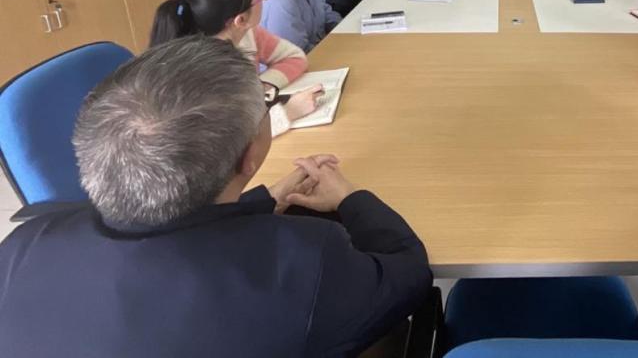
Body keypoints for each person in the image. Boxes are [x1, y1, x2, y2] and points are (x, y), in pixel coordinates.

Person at [0, 37, 432, 357]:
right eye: (267, 102)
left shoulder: (23, 244)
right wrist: (351, 198)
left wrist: (262, 200)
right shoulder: (304, 261)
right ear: (250, 156)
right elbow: (409, 273)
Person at [151, 0, 321, 137]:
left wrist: (260, 86)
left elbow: (294, 57)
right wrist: (289, 112)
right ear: (240, 20)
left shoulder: (249, 33)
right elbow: (225, 140)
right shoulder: (201, 71)